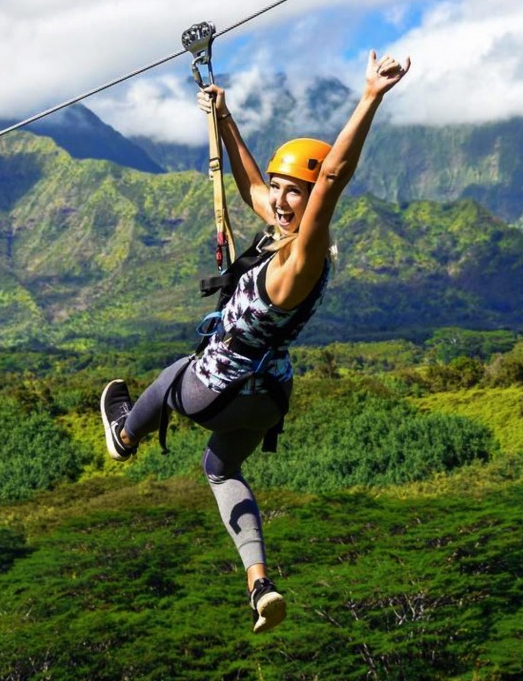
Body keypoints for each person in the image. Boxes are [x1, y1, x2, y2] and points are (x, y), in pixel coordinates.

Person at [100, 49, 410, 633]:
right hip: (268, 400)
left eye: (299, 193)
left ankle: (123, 433)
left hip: (218, 387)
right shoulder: (280, 231)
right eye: (281, 188)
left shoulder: (303, 255)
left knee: (172, 376)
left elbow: (333, 180)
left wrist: (370, 97)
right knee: (220, 468)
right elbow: (251, 189)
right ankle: (259, 581)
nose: (284, 200)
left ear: (316, 199)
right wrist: (225, 120)